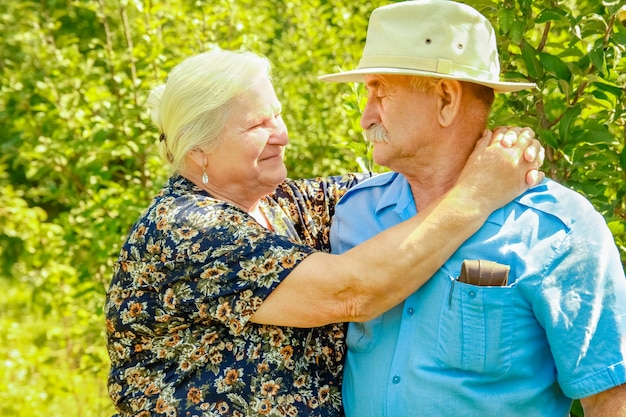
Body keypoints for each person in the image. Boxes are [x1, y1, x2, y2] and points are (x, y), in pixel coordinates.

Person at [104, 48, 544, 417]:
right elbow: (350, 291)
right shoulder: (184, 230)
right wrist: (477, 193)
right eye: (258, 125)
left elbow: (416, 174)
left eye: (277, 115)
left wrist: (498, 152)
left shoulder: (284, 205)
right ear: (198, 147)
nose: (282, 134)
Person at [321, 1, 626, 416]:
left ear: (446, 99)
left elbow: (611, 398)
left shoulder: (559, 230)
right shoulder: (353, 214)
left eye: (381, 91)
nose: (365, 117)